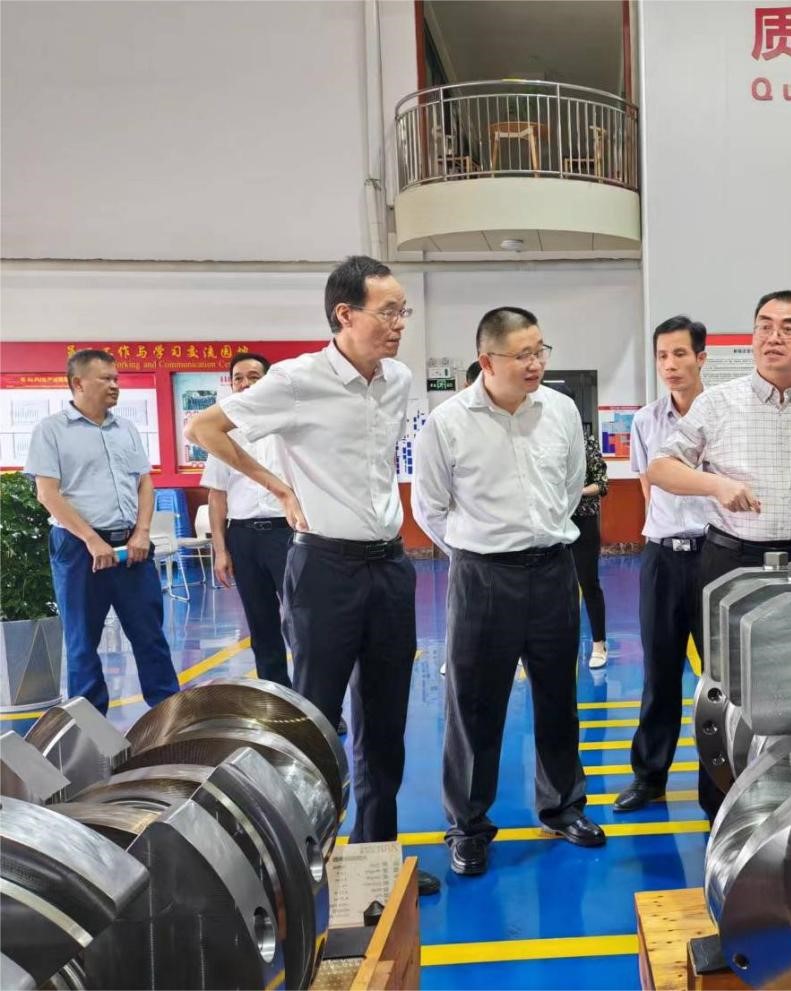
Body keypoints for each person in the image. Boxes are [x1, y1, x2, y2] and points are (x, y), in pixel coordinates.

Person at [184, 255, 440, 896]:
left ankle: (375, 861)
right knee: (316, 722)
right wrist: (277, 486)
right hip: (324, 568)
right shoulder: (298, 380)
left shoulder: (398, 379)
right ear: (344, 314)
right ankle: (307, 863)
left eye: (404, 311)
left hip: (389, 565)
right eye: (388, 312)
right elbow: (203, 426)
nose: (399, 324)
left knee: (386, 721)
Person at [412, 306, 605, 878]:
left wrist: (537, 535)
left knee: (558, 697)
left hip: (552, 572)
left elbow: (570, 486)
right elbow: (429, 508)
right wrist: (476, 553)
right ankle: (469, 826)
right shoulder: (447, 423)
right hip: (482, 578)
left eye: (540, 350)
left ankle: (562, 807)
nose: (536, 363)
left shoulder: (561, 411)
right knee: (474, 705)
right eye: (523, 354)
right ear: (487, 360)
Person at [647, 290, 791, 820]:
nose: (773, 337)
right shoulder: (717, 403)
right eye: (764, 325)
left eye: (788, 327)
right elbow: (661, 469)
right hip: (732, 562)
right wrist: (715, 485)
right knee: (726, 688)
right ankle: (720, 807)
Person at [26, 349, 179, 715]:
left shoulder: (125, 429)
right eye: (105, 378)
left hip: (132, 546)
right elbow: (48, 494)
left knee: (150, 637)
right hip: (78, 549)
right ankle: (90, 724)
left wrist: (142, 532)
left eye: (116, 379)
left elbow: (144, 482)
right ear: (78, 383)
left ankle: (170, 716)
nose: (115, 385)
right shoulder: (51, 430)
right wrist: (92, 539)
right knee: (82, 642)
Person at [614, 316, 711, 813]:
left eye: (680, 354)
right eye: (662, 356)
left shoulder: (724, 415)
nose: (670, 365)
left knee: (722, 677)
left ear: (701, 357)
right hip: (662, 558)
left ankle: (723, 777)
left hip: (716, 555)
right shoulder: (645, 421)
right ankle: (650, 776)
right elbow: (647, 485)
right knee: (659, 671)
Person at [201, 352, 294, 688]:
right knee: (260, 622)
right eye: (238, 378)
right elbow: (217, 497)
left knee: (301, 619)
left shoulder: (288, 427)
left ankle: (313, 699)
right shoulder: (221, 435)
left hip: (287, 534)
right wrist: (220, 551)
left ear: (267, 382)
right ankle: (277, 695)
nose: (245, 384)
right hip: (244, 537)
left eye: (254, 377)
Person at [551, 382, 610, 669]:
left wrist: (575, 492)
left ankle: (599, 644)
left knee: (589, 583)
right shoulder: (543, 441)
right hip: (552, 523)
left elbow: (602, 483)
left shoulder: (587, 443)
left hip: (583, 520)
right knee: (552, 587)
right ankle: (558, 644)